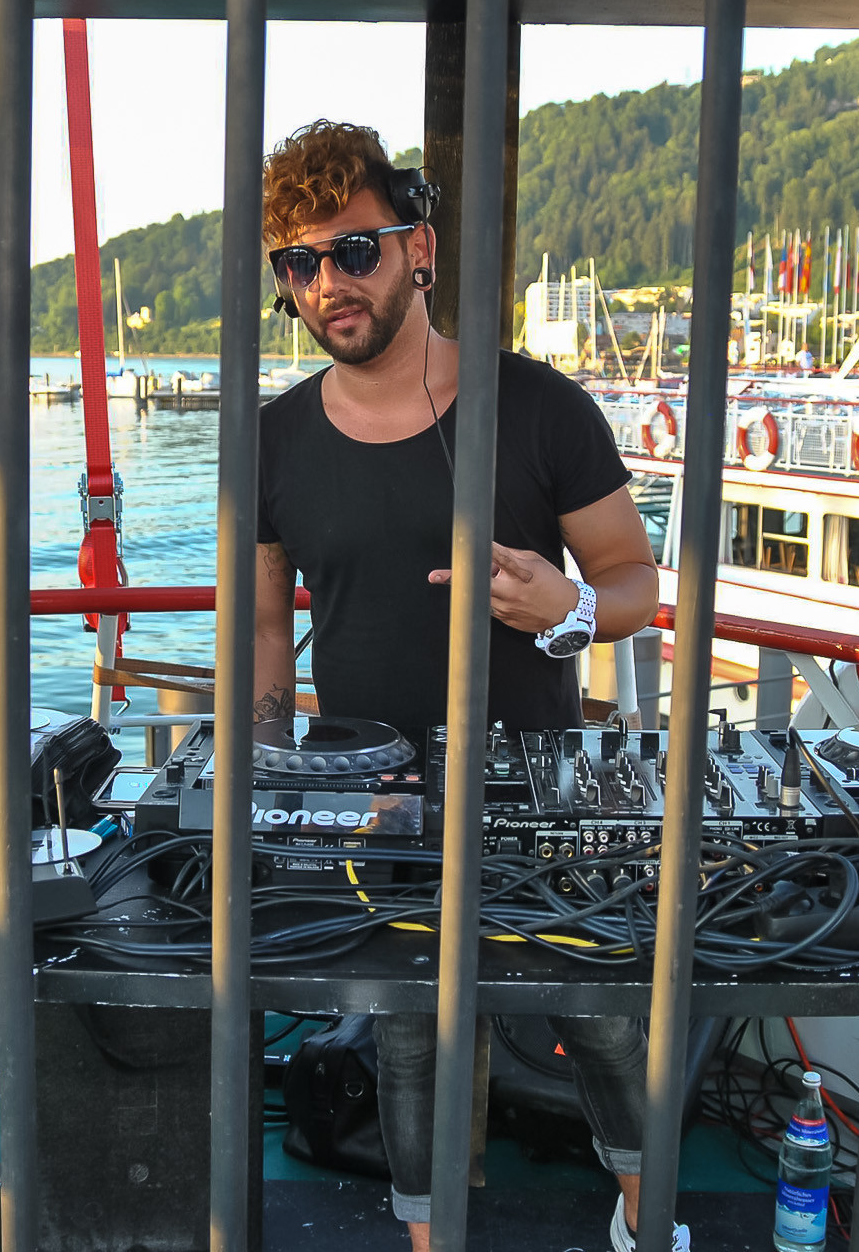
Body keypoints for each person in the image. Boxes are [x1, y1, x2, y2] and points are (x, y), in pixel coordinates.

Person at [251, 122, 684, 1252]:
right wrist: (263, 764)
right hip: (378, 800)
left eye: (354, 250)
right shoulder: (272, 438)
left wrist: (568, 607)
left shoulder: (537, 406)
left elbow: (635, 580)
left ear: (419, 248)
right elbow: (262, 623)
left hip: (539, 784)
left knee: (598, 1017)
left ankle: (651, 1221)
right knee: (408, 1036)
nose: (328, 283)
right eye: (299, 263)